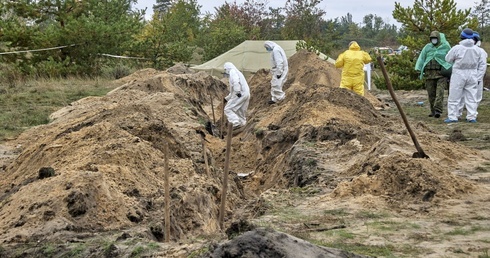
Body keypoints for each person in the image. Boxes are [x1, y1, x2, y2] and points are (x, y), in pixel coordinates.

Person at [444, 28, 486, 123]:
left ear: (462, 37)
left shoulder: (457, 48)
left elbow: (448, 59)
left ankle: (453, 116)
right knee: (471, 96)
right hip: (472, 73)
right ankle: (471, 116)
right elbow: (482, 63)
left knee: (454, 96)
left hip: (459, 73)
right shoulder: (477, 50)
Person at [414, 31, 452, 118]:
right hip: (429, 75)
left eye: (435, 39)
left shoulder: (445, 47)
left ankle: (438, 110)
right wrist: (418, 68)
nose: (434, 40)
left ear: (439, 38)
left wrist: (450, 71)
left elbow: (451, 59)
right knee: (431, 94)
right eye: (432, 39)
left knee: (440, 93)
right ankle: (433, 111)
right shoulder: (427, 47)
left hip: (441, 74)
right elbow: (421, 58)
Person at [457, 31, 488, 117]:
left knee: (476, 97)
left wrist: (478, 78)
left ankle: (472, 114)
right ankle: (458, 113)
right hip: (464, 76)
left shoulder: (480, 51)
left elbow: (482, 66)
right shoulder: (463, 48)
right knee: (461, 96)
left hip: (476, 77)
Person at [223, 62, 250, 129]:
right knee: (240, 111)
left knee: (228, 109)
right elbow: (232, 92)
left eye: (225, 69)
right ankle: (242, 124)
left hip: (240, 94)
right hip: (246, 94)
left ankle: (235, 122)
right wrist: (226, 98)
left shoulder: (232, 71)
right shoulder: (238, 73)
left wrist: (238, 91)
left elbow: (236, 81)